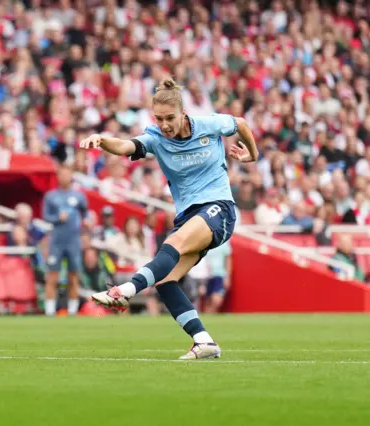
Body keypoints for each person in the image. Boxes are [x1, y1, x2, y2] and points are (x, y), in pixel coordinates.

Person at [79, 78, 258, 360]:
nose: (164, 125)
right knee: (165, 282)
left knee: (174, 241)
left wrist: (253, 154)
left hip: (219, 208)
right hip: (189, 216)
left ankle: (125, 290)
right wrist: (102, 140)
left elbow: (241, 123)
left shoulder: (209, 124)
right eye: (159, 119)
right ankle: (204, 341)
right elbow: (126, 146)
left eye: (170, 118)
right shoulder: (156, 139)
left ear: (183, 114)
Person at [42, 165, 88, 316]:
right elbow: (46, 216)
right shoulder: (51, 196)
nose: (64, 177)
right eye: (61, 175)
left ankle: (73, 310)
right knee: (52, 276)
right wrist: (57, 218)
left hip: (73, 241)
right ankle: (49, 310)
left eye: (67, 174)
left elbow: (85, 214)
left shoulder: (79, 196)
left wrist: (85, 226)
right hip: (56, 241)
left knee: (73, 276)